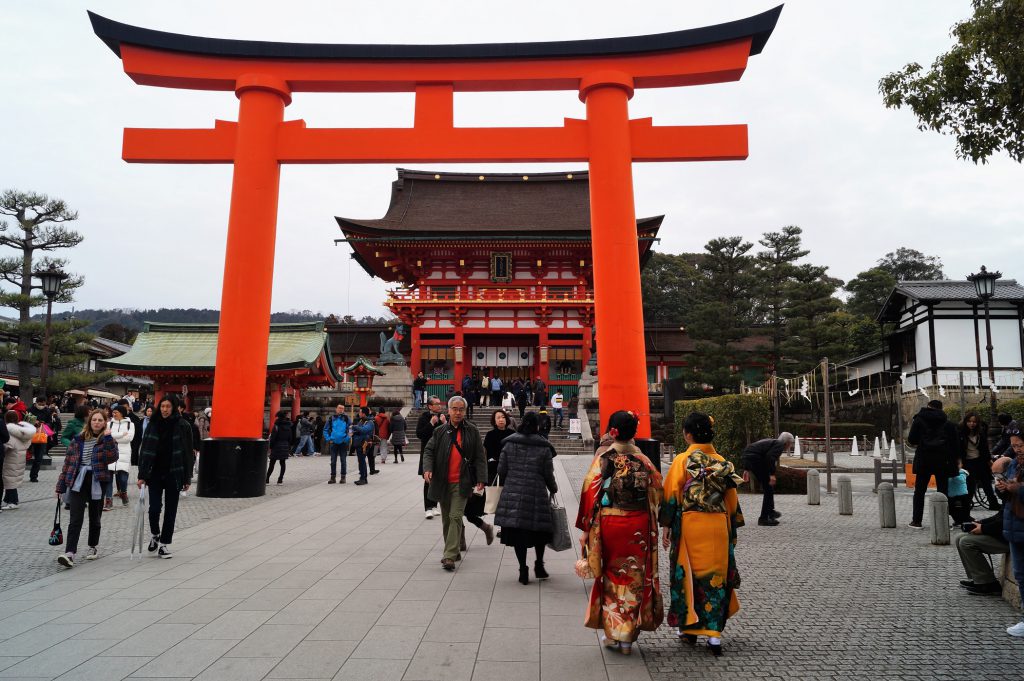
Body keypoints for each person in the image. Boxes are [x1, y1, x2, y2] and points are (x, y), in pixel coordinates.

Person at [576, 410, 663, 654]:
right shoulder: (644, 461)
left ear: (611, 430)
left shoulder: (604, 458)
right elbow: (657, 492)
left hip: (610, 523)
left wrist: (586, 528)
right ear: (634, 432)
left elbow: (589, 493)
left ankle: (614, 633)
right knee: (634, 577)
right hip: (638, 525)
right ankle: (627, 637)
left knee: (612, 576)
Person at [660, 412, 744, 656]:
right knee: (715, 578)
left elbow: (671, 496)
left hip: (690, 524)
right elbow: (731, 502)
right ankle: (714, 634)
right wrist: (730, 529)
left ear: (687, 434)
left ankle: (688, 629)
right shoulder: (723, 462)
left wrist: (666, 525)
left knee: (687, 576)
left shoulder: (682, 460)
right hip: (717, 524)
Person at [422, 395, 486, 571]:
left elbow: (480, 456)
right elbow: (428, 450)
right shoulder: (440, 431)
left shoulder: (472, 430)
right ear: (448, 410)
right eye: (455, 409)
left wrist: (482, 478)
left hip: (462, 481)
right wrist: (427, 468)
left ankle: (449, 555)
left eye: (461, 409)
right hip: (443, 481)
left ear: (465, 411)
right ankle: (455, 550)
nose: (458, 412)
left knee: (456, 516)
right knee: (446, 520)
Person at [493, 411, 558, 584]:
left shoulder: (509, 445)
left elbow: (501, 471)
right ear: (537, 426)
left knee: (518, 533)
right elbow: (548, 474)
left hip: (513, 493)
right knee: (539, 531)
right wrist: (553, 488)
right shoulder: (544, 447)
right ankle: (539, 565)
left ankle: (523, 569)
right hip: (536, 493)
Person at [55, 409, 119, 567]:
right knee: (75, 517)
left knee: (95, 516)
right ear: (89, 422)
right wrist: (60, 486)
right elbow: (68, 463)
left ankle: (92, 546)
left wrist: (109, 437)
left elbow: (112, 457)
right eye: (94, 420)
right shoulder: (78, 439)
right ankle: (70, 552)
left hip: (98, 480)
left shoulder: (107, 440)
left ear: (105, 423)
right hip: (79, 480)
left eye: (100, 420)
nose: (97, 422)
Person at [137, 395, 195, 559]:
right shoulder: (153, 424)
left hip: (174, 472)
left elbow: (187, 454)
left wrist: (187, 478)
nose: (164, 409)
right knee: (154, 508)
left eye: (168, 406)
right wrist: (142, 475)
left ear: (175, 407)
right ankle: (155, 534)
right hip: (154, 473)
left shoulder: (183, 425)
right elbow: (145, 451)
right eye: (162, 406)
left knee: (171, 510)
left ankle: (164, 543)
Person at [956, 458, 1012, 594]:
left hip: (1010, 536)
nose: (996, 481)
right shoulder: (1009, 493)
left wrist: (984, 529)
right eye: (994, 476)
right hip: (1004, 532)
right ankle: (978, 578)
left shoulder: (1015, 492)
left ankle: (988, 583)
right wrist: (981, 523)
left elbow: (1008, 521)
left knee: (966, 542)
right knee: (959, 538)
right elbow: (1000, 516)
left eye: (998, 476)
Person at [907, 400, 959, 529]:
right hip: (943, 460)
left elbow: (912, 439)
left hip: (924, 459)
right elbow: (955, 444)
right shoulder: (948, 423)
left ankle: (916, 521)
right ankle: (943, 521)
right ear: (941, 409)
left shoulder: (919, 419)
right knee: (943, 491)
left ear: (928, 407)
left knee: (919, 491)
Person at [997, 432, 1024, 637]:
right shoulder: (1014, 464)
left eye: (1021, 445)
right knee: (1021, 574)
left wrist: (1016, 488)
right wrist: (1003, 488)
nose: (1018, 450)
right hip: (1014, 524)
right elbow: (1007, 494)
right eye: (1014, 446)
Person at [740, 432, 794, 526]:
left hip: (750, 458)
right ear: (787, 442)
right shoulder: (780, 445)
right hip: (755, 459)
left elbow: (750, 451)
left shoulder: (773, 442)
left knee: (768, 487)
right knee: (768, 488)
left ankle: (770, 512)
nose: (790, 446)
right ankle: (764, 518)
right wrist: (772, 474)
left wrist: (746, 469)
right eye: (791, 443)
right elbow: (770, 458)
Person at [958, 411, 999, 510]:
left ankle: (993, 504)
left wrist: (989, 461)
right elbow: (958, 449)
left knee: (987, 483)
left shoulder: (980, 432)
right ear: (966, 422)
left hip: (980, 461)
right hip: (967, 462)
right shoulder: (960, 433)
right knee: (970, 485)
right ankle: (966, 505)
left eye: (974, 422)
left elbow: (984, 448)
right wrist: (959, 462)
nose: (972, 424)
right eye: (969, 421)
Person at [417, 396, 447, 518]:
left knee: (437, 480)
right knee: (428, 480)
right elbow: (420, 434)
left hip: (440, 453)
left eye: (440, 404)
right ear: (430, 406)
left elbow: (450, 434)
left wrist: (445, 423)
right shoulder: (424, 417)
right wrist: (431, 424)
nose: (439, 406)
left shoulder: (443, 417)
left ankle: (434, 506)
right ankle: (428, 507)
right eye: (436, 404)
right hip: (428, 453)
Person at [3, 411, 34, 510]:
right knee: (12, 479)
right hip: (19, 457)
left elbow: (7, 445)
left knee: (9, 480)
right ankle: (8, 499)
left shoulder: (9, 431)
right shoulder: (23, 431)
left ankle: (13, 501)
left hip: (10, 458)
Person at [106, 404, 135, 508]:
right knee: (108, 478)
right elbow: (106, 436)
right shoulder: (109, 424)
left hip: (124, 453)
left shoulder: (130, 424)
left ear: (122, 413)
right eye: (113, 412)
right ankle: (108, 500)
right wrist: (122, 434)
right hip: (110, 452)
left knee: (123, 478)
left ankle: (123, 492)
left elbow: (129, 438)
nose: (113, 414)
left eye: (116, 412)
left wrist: (114, 437)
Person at [323, 404, 351, 484]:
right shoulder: (331, 418)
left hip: (343, 442)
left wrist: (347, 439)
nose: (341, 410)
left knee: (343, 460)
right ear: (336, 409)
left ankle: (343, 477)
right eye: (339, 408)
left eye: (342, 408)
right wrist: (328, 438)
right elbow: (325, 429)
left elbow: (351, 429)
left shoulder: (346, 418)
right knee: (333, 461)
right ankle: (333, 477)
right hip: (333, 442)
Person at [267, 409, 292, 485]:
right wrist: (288, 446)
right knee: (283, 463)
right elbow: (290, 438)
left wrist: (271, 446)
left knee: (272, 463)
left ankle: (267, 479)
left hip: (276, 445)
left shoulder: (276, 426)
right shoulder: (289, 425)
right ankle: (280, 480)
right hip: (285, 444)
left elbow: (273, 437)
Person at [351, 408, 375, 485]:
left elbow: (364, 430)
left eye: (360, 412)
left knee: (362, 461)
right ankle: (363, 477)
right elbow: (359, 430)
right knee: (361, 461)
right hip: (359, 443)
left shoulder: (370, 422)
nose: (359, 413)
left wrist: (354, 427)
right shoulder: (361, 421)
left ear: (364, 414)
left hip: (365, 444)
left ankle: (363, 478)